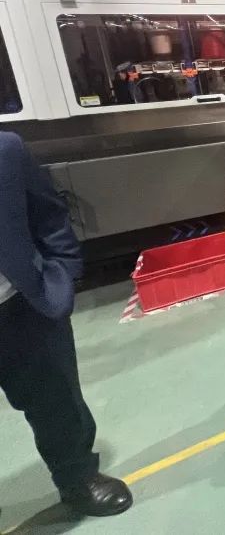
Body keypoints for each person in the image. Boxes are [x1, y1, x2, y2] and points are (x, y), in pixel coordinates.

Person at [0, 133, 133, 518]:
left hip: (19, 305)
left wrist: (61, 272)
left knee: (56, 400)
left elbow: (47, 212)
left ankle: (77, 477)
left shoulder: (6, 150)